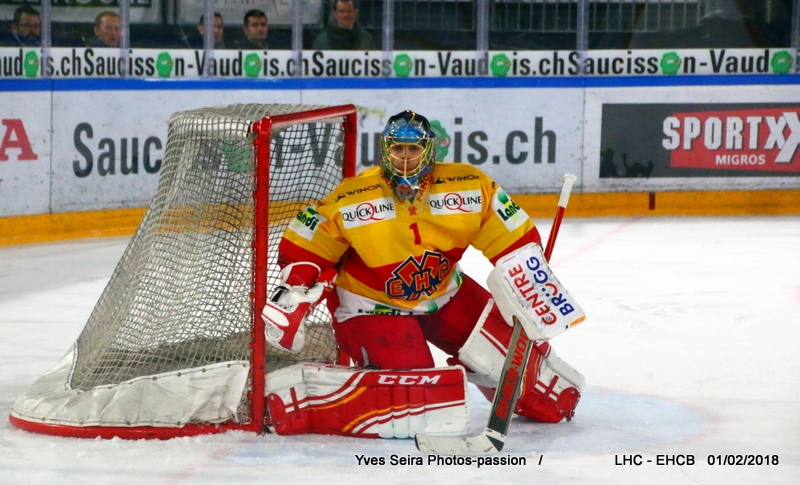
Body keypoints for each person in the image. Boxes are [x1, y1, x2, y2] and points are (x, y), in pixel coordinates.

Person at [262, 110, 584, 437]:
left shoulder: (468, 186)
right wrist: (294, 292)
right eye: (397, 149)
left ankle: (495, 379)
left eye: (413, 149)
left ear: (428, 150)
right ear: (385, 150)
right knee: (419, 400)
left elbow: (512, 239)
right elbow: (309, 242)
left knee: (543, 395)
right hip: (372, 307)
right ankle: (312, 404)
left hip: (446, 295)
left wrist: (528, 281)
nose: (405, 158)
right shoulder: (354, 196)